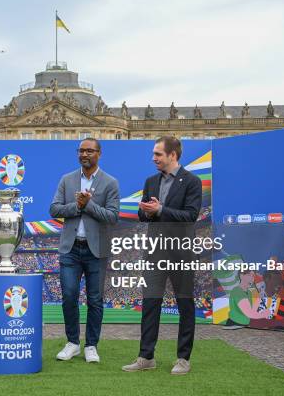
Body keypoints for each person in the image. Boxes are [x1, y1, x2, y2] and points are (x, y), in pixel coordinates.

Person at [122, 136, 202, 375]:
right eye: (154, 154)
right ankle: (146, 357)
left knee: (185, 304)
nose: (153, 158)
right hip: (155, 252)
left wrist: (160, 209)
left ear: (173, 155)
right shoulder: (150, 181)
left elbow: (190, 216)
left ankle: (183, 358)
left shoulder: (192, 181)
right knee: (150, 304)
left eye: (158, 154)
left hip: (181, 252)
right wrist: (146, 211)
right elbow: (143, 216)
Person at [50, 138, 120, 363]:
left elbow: (112, 216)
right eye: (81, 151)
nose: (84, 154)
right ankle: (72, 343)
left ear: (99, 154)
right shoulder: (67, 179)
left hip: (96, 250)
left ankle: (91, 345)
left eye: (89, 151)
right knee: (69, 296)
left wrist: (88, 205)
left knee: (95, 300)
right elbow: (54, 209)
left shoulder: (110, 182)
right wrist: (77, 206)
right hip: (70, 249)